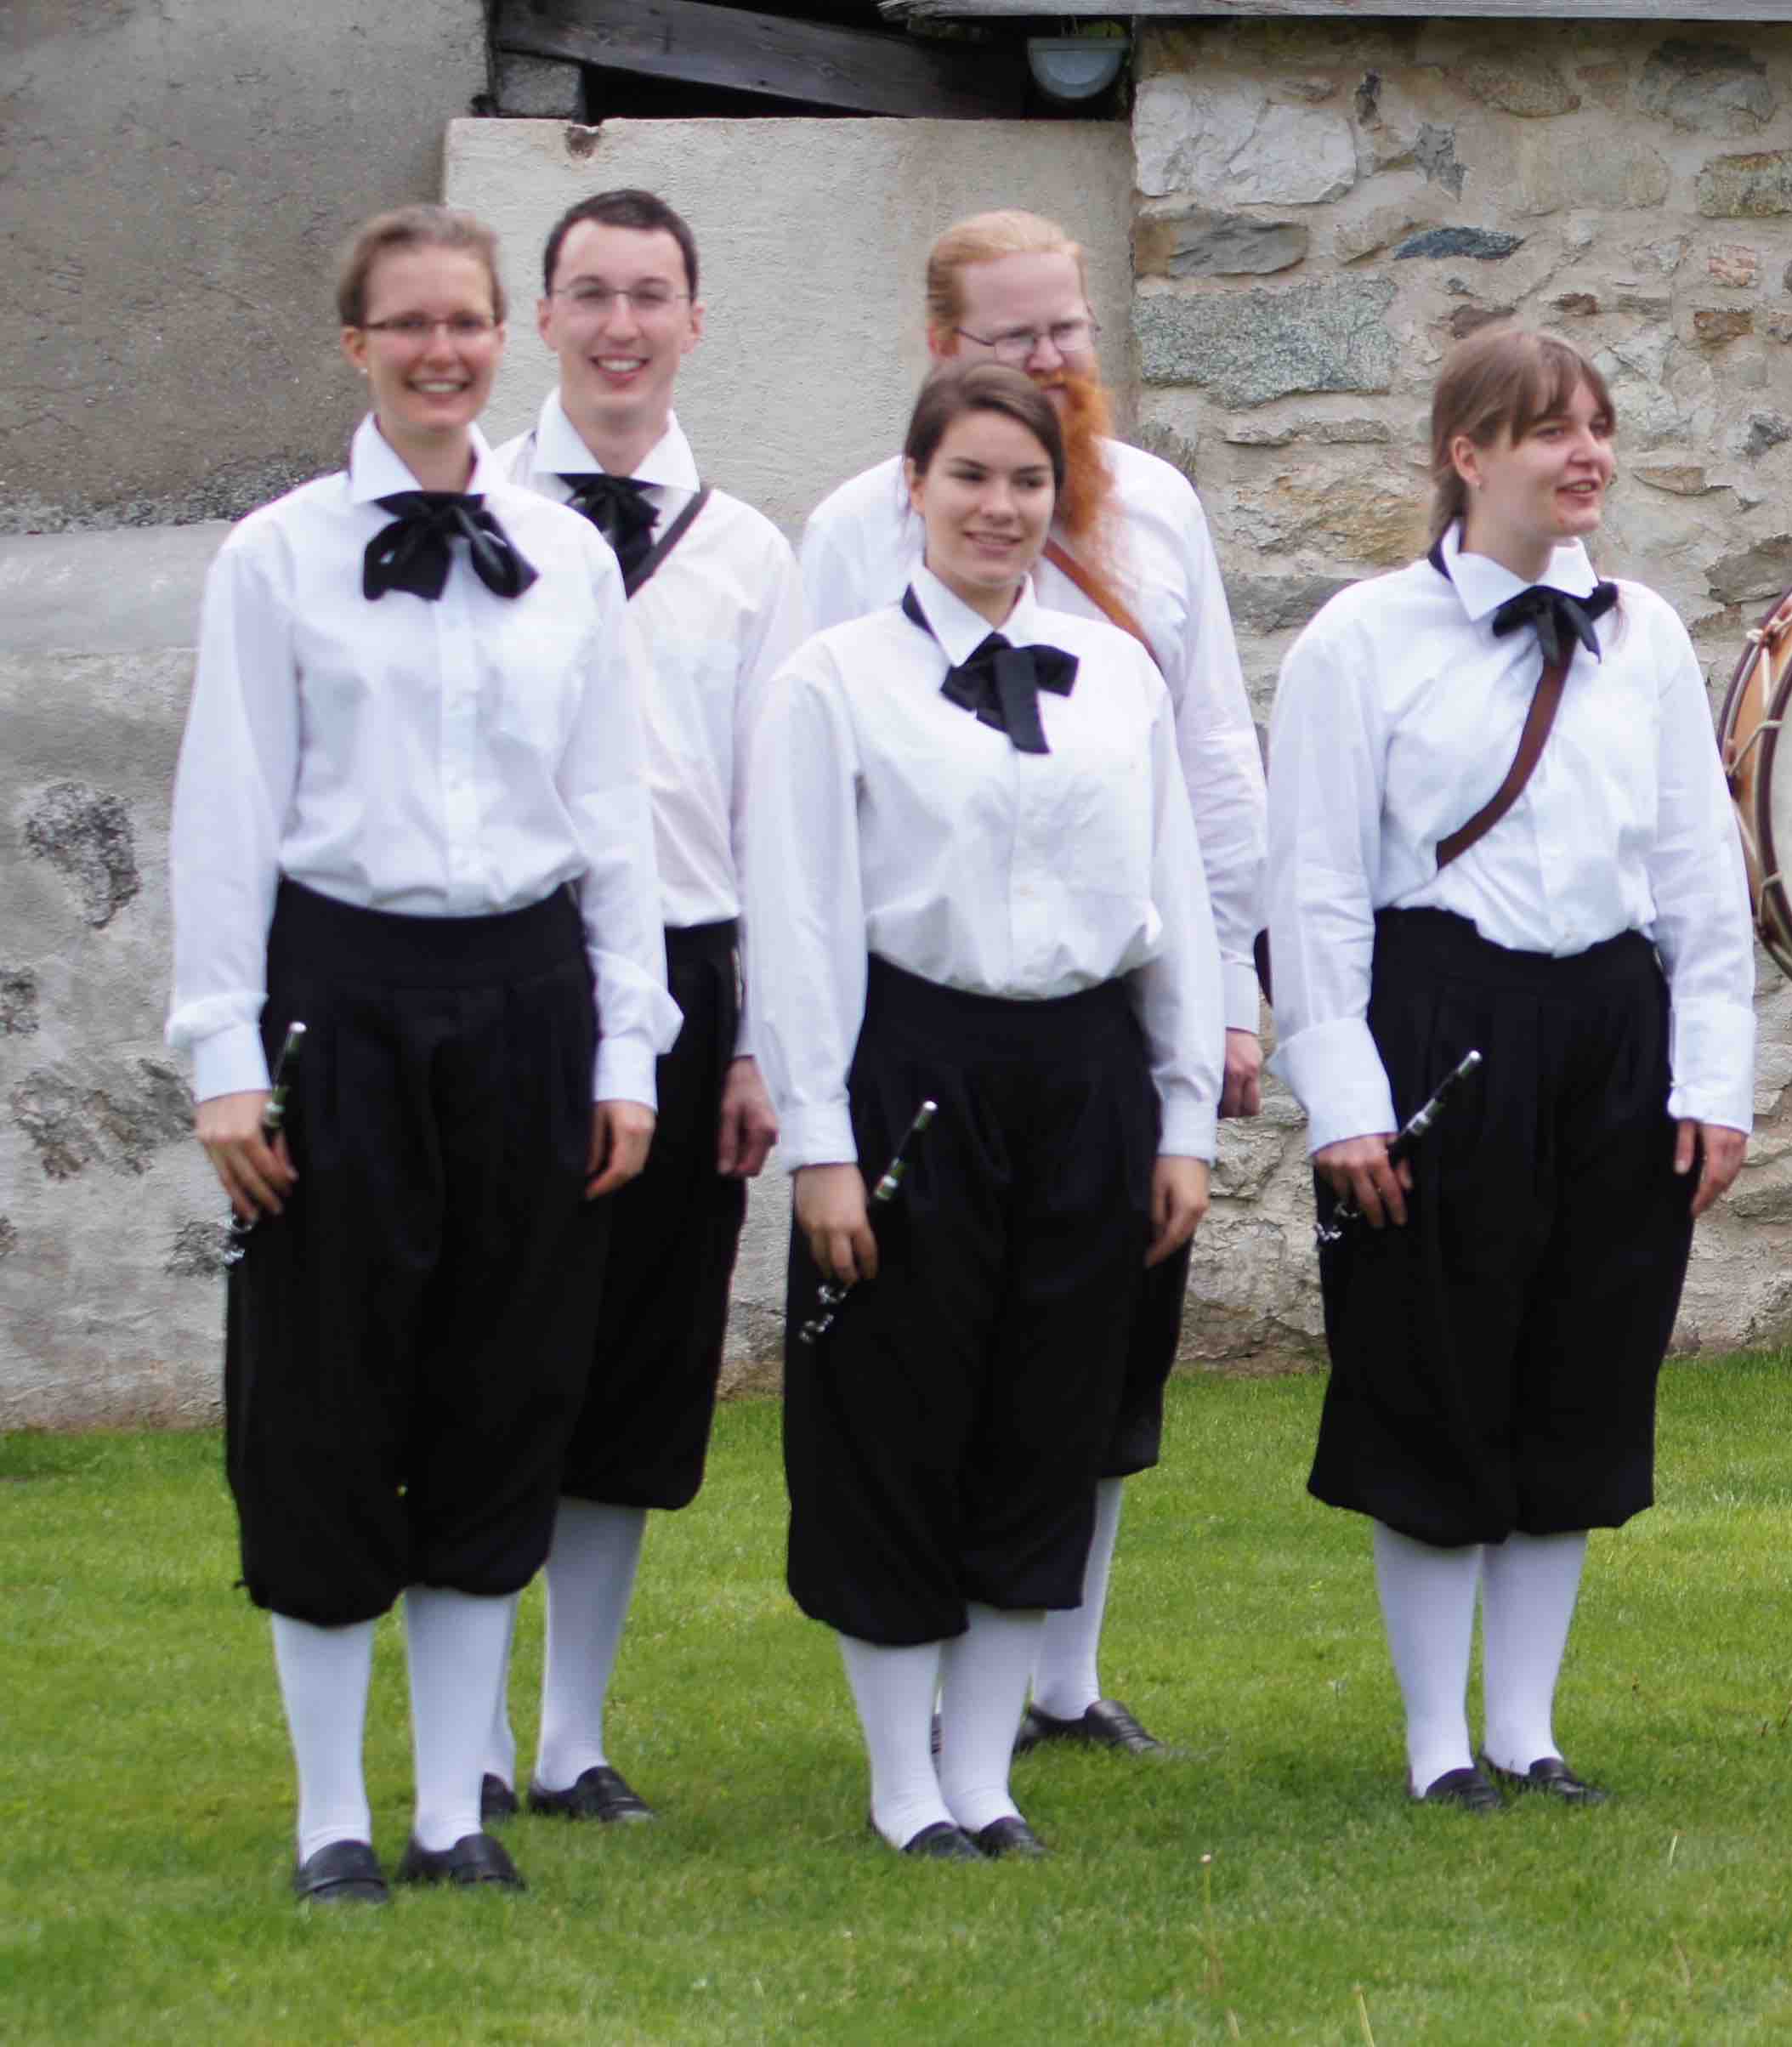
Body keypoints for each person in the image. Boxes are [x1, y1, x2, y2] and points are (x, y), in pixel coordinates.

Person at [169, 204, 672, 1902]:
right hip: (343, 997)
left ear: (497, 339)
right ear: (357, 346)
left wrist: (628, 1048)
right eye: (409, 325)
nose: (442, 351)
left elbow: (612, 814)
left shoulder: (570, 559)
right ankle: (333, 1815)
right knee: (323, 1394)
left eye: (466, 322)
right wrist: (224, 1054)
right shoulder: (274, 558)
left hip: (529, 997)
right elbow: (227, 810)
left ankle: (455, 1811)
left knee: (502, 1386)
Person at [792, 212, 1265, 1757]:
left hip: (1105, 1003)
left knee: (1093, 1352)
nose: (1055, 358)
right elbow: (800, 805)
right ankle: (927, 1691)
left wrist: (1227, 994)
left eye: (1071, 328)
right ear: (943, 349)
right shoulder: (853, 533)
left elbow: (1208, 756)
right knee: (928, 1365)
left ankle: (1060, 1676)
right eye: (1017, 336)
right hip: (925, 1016)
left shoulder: (1161, 510)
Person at [1264, 326, 1754, 1809]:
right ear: (1465, 455)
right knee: (1434, 1372)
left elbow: (1698, 873)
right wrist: (1344, 1099)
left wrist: (1711, 1080)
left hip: (1612, 1023)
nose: (1585, 453)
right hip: (1440, 1020)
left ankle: (1529, 1733)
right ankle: (1437, 1742)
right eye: (1548, 429)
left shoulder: (1645, 633)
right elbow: (1314, 890)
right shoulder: (1359, 640)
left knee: (1580, 1372)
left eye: (1596, 425)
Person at [474, 186, 801, 1827]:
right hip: (510, 970)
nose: (620, 327)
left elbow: (772, 816)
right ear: (543, 319)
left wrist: (756, 1044)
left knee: (635, 1361)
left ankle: (569, 1734)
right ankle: (465, 1731)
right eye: (590, 294)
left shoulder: (750, 552)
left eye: (650, 295)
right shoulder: (474, 516)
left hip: (685, 971)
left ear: (693, 321)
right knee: (488, 1348)